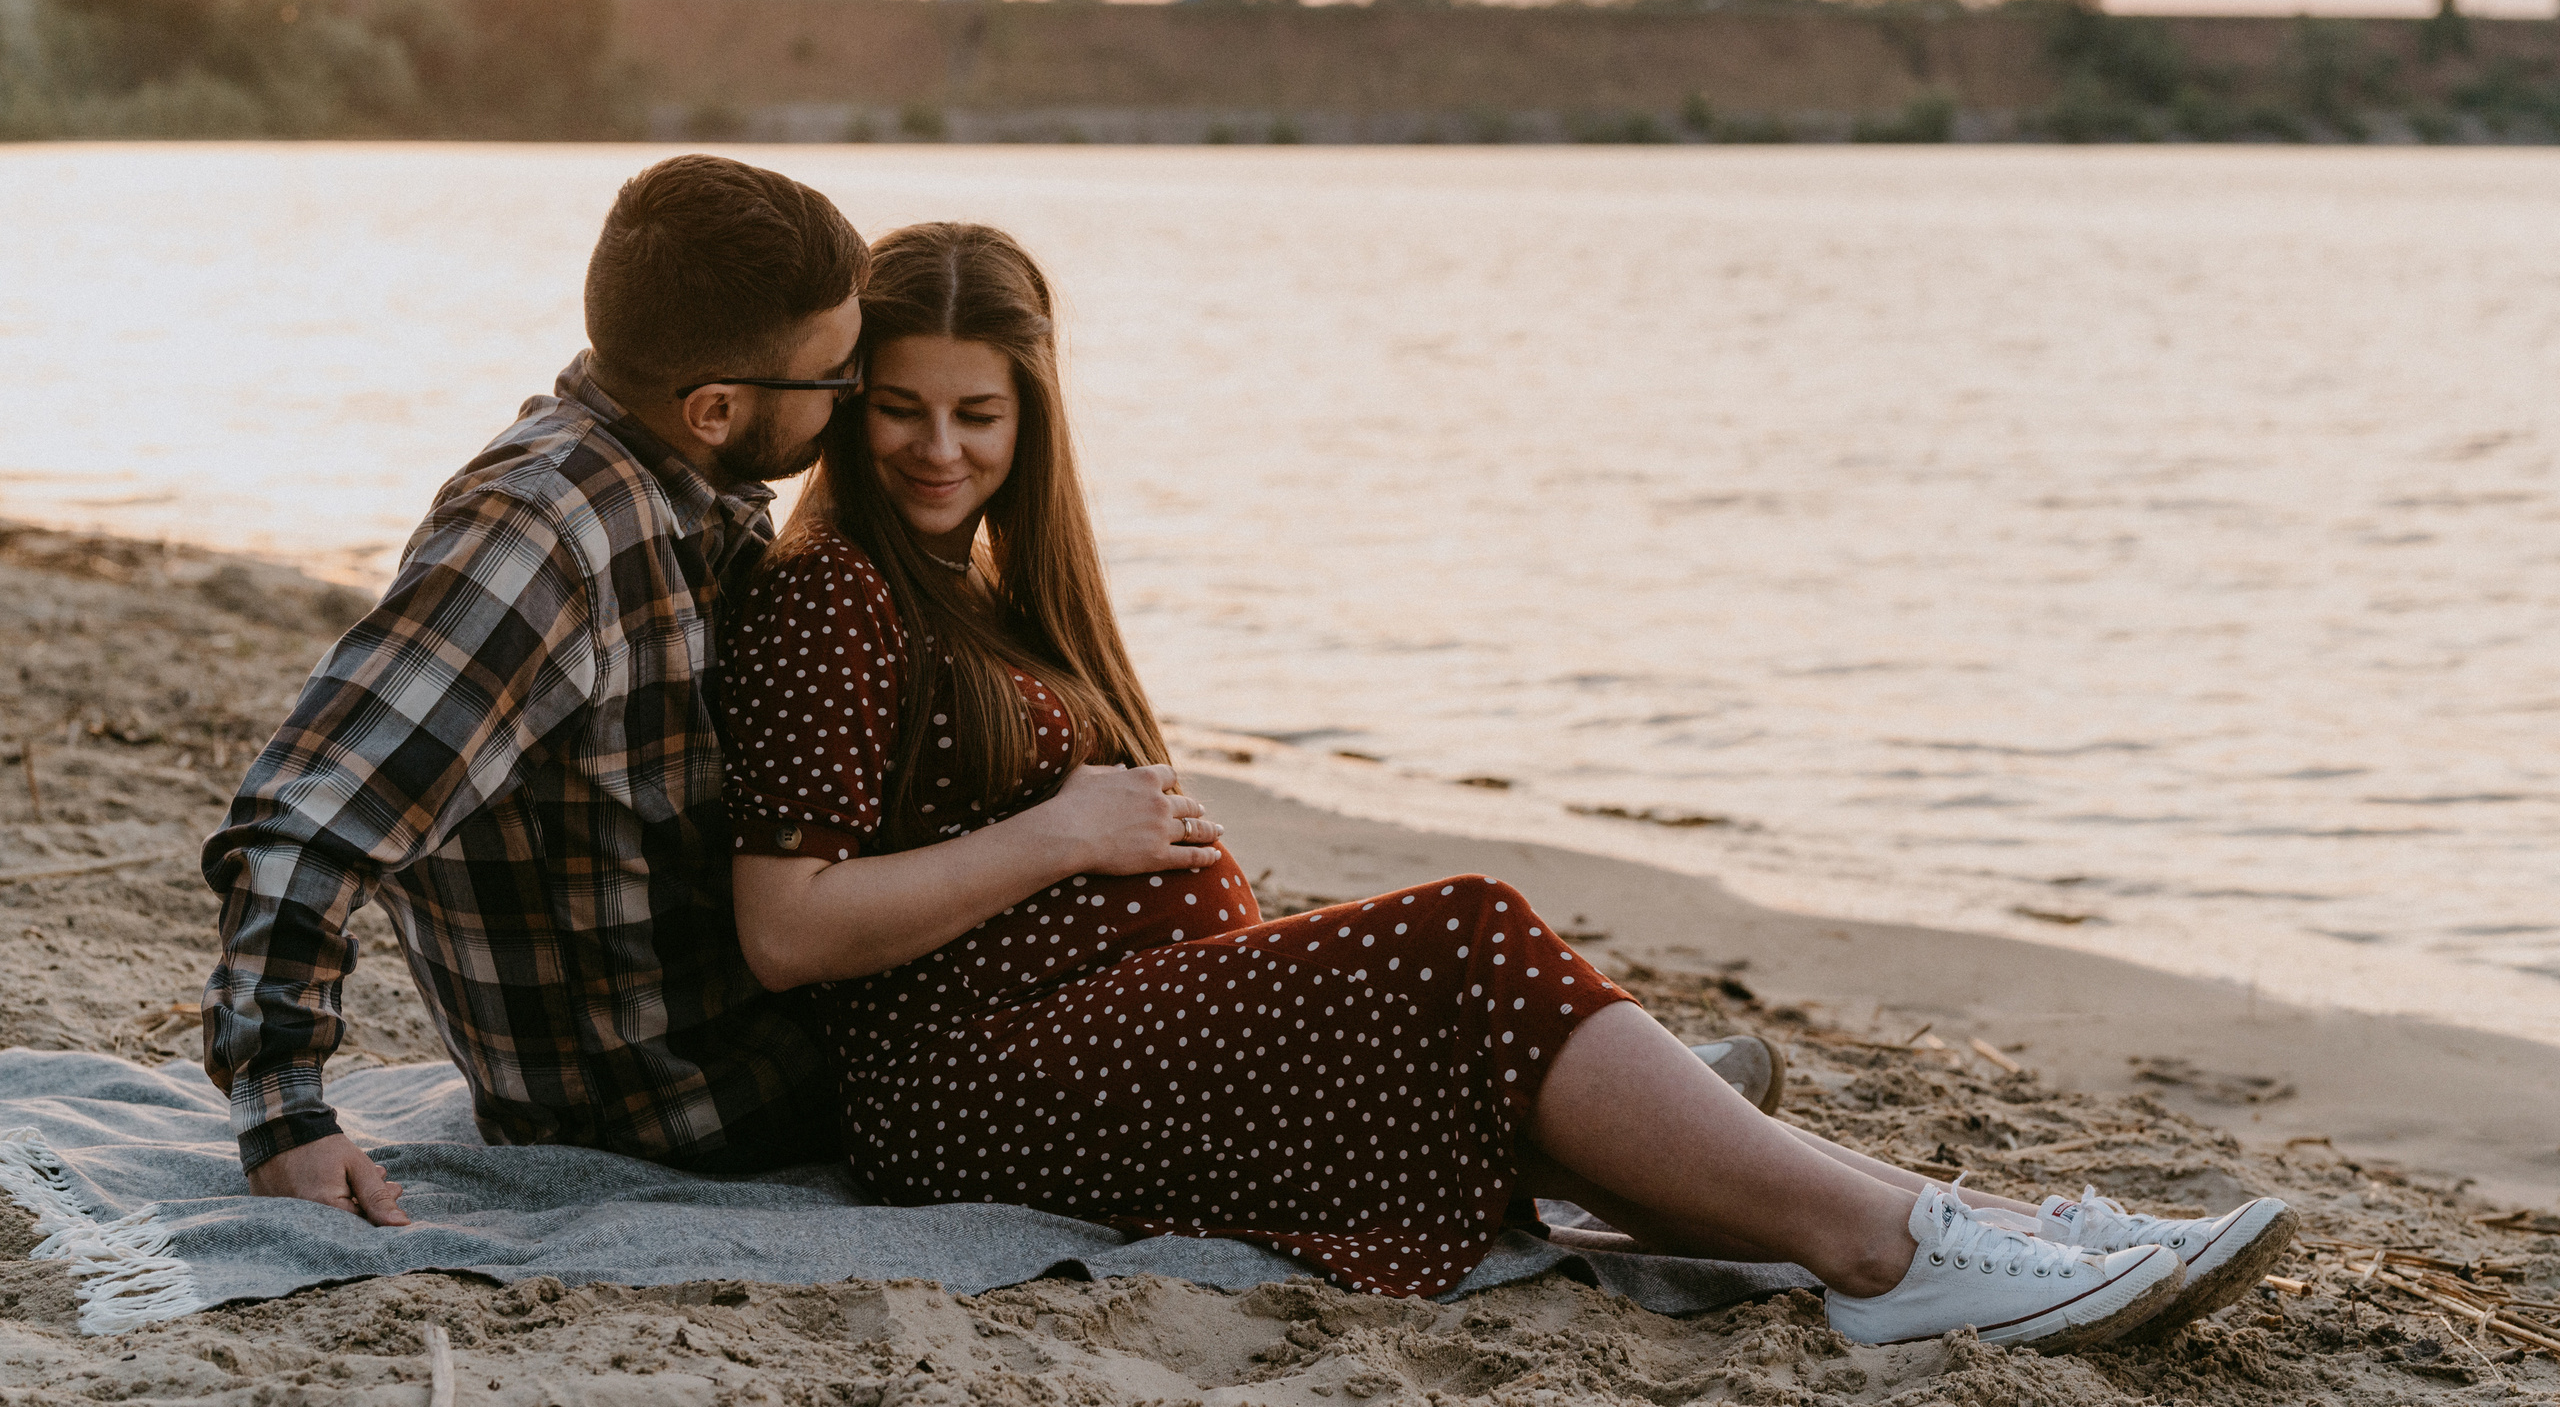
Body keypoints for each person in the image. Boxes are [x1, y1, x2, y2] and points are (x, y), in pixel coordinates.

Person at [723, 223, 2299, 1350]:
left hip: (1110, 1025)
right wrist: (1063, 831)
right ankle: (1893, 1258)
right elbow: (786, 931)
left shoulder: (989, 588)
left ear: (1034, 418)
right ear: (854, 406)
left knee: (1472, 998)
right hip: (971, 1084)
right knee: (1463, 930)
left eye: (979, 414)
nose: (939, 446)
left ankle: (1990, 1227)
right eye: (906, 407)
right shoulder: (831, 596)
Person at [201, 154, 869, 1223]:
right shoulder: (544, 532)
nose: (855, 399)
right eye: (838, 379)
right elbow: (306, 821)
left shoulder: (680, 492)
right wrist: (284, 1115)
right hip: (683, 1112)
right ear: (712, 407)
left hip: (754, 1048)